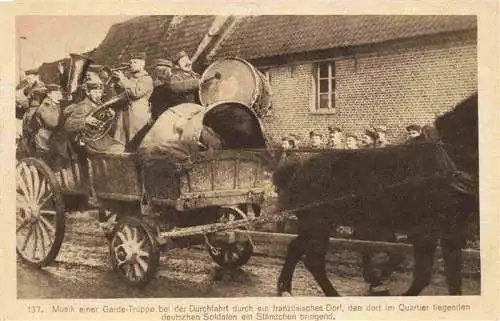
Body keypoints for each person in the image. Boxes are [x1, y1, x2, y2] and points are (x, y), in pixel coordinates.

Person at [63, 81, 124, 153]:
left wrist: (109, 116)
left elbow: (102, 122)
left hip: (100, 138)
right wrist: (85, 120)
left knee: (120, 146)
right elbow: (67, 126)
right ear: (88, 93)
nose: (99, 95)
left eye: (100, 92)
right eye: (95, 92)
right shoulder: (83, 106)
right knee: (117, 149)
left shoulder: (97, 104)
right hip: (89, 141)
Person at [112, 52, 154, 145]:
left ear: (143, 64)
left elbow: (136, 93)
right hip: (124, 114)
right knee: (121, 143)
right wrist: (116, 82)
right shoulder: (129, 77)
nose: (131, 64)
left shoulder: (146, 78)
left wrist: (123, 80)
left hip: (137, 117)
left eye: (135, 62)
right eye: (131, 62)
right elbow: (120, 93)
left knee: (135, 143)